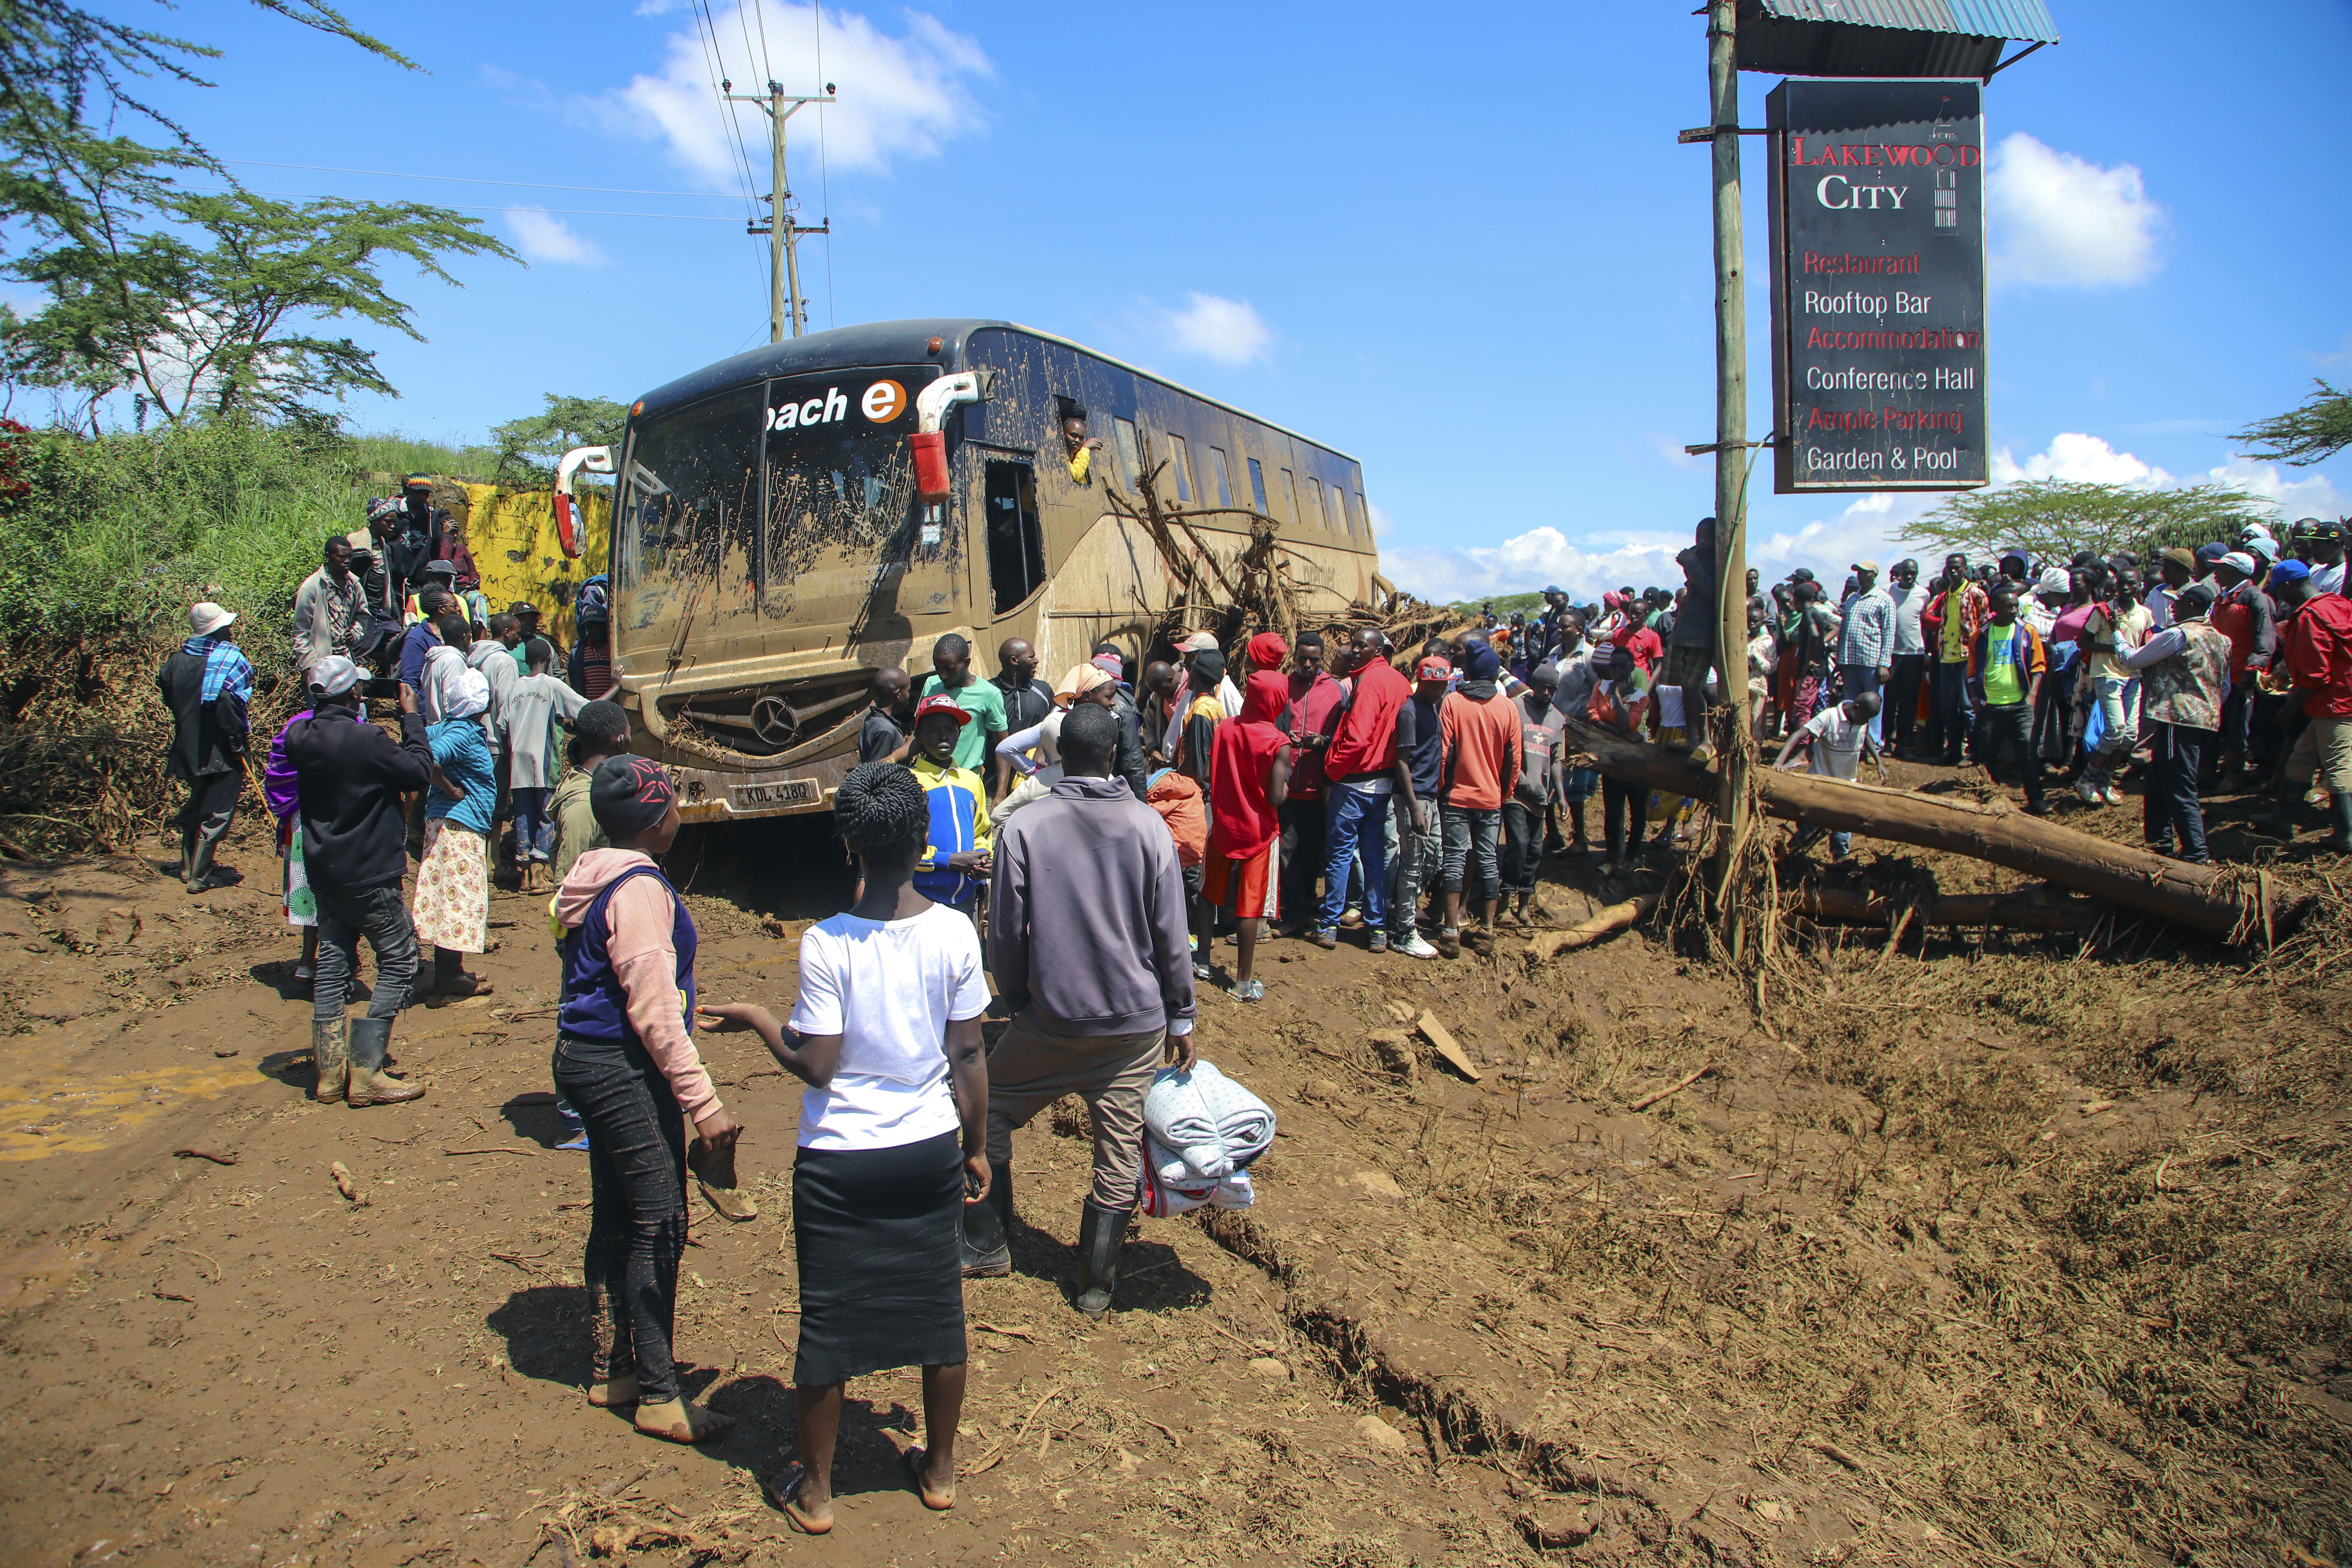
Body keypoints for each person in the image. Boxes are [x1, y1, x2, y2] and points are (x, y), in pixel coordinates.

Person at [693, 763, 985, 1530]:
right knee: (938, 1311)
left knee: (828, 1321)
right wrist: (976, 1143)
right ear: (924, 841)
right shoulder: (956, 930)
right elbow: (970, 1058)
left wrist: (761, 1018)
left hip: (838, 1158)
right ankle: (941, 1469)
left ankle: (818, 1493)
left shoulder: (827, 942)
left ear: (848, 844)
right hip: (927, 1148)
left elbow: (816, 1066)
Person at [980, 703, 1197, 1316]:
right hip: (1133, 1027)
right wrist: (1181, 1015)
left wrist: (1021, 999)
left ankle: (989, 1242)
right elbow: (1169, 933)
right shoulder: (1148, 826)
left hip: (1052, 1020)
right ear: (1111, 756)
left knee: (987, 1111)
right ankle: (1096, 1283)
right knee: (1119, 1148)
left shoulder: (1024, 827)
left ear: (1050, 757)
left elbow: (1004, 935)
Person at [551, 756, 739, 1444]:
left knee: (618, 1210)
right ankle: (661, 1395)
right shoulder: (638, 891)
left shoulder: (594, 871)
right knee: (661, 1221)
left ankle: (617, 1369)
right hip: (621, 1067)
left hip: (583, 1059)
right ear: (659, 819)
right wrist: (705, 1104)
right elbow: (655, 1009)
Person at [286, 657, 430, 1107]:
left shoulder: (299, 736)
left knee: (333, 961)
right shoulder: (366, 739)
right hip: (370, 869)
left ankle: (330, 1073)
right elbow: (418, 772)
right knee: (400, 958)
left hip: (325, 868)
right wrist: (411, 718)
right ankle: (366, 1069)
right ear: (355, 695)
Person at [1314, 631, 1413, 951]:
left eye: (1362, 646)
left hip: (1355, 783)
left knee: (1340, 855)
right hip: (1383, 784)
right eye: (1354, 645)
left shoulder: (1370, 682)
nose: (1355, 651)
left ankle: (1329, 923)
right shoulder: (1399, 681)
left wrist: (1332, 769)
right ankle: (1378, 929)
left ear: (1378, 650)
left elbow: (1356, 738)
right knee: (1374, 857)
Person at [2120, 579, 2229, 862]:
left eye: (2177, 602)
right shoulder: (2221, 639)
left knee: (2179, 784)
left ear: (2192, 606)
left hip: (2178, 717)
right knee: (2157, 779)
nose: (2172, 607)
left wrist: (2118, 640)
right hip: (2205, 718)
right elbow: (2224, 686)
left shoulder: (2178, 635)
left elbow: (2134, 661)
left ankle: (2197, 852)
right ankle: (2160, 843)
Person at [1202, 670, 1293, 1001]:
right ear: (1278, 701)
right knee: (1250, 907)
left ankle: (1201, 961)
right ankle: (1242, 983)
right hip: (1260, 832)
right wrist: (1286, 783)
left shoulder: (1226, 727)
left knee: (1209, 891)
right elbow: (1275, 797)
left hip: (1225, 824)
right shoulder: (1278, 742)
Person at [414, 669, 499, 998]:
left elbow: (419, 745)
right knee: (460, 898)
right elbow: (429, 759)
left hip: (443, 824)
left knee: (446, 895)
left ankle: (451, 970)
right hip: (458, 826)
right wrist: (449, 789)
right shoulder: (462, 734)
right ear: (484, 705)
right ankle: (450, 976)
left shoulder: (442, 727)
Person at [1435, 639, 1522, 958]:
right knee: (1488, 860)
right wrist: (1505, 792)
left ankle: (1449, 932)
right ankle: (1487, 931)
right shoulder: (1508, 707)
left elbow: (1444, 753)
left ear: (1469, 671)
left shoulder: (1453, 703)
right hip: (1491, 799)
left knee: (1455, 859)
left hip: (1457, 797)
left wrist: (1443, 787)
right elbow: (1514, 758)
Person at [159, 601, 252, 893]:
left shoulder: (175, 661)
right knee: (219, 812)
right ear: (219, 629)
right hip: (223, 750)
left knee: (196, 803)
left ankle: (187, 868)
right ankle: (200, 876)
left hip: (189, 747)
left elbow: (167, 692)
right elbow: (228, 704)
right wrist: (237, 743)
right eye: (227, 626)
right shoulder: (231, 660)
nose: (231, 630)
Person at [2268, 560, 2352, 848]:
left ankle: (2347, 834)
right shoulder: (2336, 603)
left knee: (2340, 766)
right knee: (2302, 757)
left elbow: (2317, 674)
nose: (2279, 597)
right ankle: (2282, 818)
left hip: (2335, 704)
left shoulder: (2309, 618)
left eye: (2278, 590)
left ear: (2289, 585)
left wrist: (2291, 706)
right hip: (2335, 700)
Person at [505, 638, 590, 890]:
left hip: (517, 761)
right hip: (542, 759)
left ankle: (523, 875)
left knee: (522, 814)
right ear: (549, 658)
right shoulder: (552, 684)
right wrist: (615, 687)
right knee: (545, 815)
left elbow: (502, 723)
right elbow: (585, 709)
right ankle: (539, 876)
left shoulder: (514, 687)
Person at [1274, 631, 1343, 928]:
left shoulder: (1337, 691)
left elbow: (1344, 736)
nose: (1307, 664)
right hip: (1287, 788)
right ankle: (1295, 913)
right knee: (1287, 854)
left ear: (1322, 660)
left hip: (1320, 789)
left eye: (1314, 660)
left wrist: (1323, 741)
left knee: (1313, 853)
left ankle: (1309, 907)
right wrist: (1283, 739)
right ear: (1294, 657)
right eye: (1302, 658)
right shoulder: (1282, 687)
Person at [1967, 583, 2051, 816]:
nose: (2014, 611)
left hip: (2020, 705)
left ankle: (2036, 799)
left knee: (2027, 752)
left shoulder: (2027, 632)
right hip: (1991, 706)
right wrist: (1975, 700)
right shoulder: (1981, 635)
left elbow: (2038, 667)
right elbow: (1972, 672)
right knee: (1987, 754)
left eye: (2016, 606)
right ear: (1996, 608)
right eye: (2008, 607)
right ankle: (1992, 797)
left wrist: (2032, 695)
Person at [1385, 654, 1449, 959]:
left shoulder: (1432, 708)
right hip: (1416, 798)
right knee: (1413, 863)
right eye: (1433, 685)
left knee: (1433, 859)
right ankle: (1403, 932)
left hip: (1430, 797)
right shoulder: (1410, 712)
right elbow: (1402, 761)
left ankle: (1400, 916)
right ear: (1421, 681)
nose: (1438, 691)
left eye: (1443, 686)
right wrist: (1414, 807)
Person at [909, 695, 993, 925]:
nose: (943, 736)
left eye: (950, 730)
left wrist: (982, 858)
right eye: (934, 730)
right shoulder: (910, 782)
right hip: (923, 900)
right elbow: (901, 849)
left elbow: (982, 831)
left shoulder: (972, 781)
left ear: (959, 733)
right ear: (918, 735)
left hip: (966, 901)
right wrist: (946, 861)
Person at [2075, 565, 2152, 805]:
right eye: (2123, 584)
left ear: (2140, 587)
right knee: (2115, 730)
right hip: (2107, 674)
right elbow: (2084, 641)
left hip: (2133, 677)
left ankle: (2104, 781)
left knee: (2130, 735)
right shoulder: (2104, 611)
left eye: (2132, 584)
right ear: (2116, 586)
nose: (2127, 589)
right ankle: (2086, 781)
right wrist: (2116, 649)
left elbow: (2147, 643)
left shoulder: (2145, 614)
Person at [1776, 692, 1883, 859]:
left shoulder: (1862, 720)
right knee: (1809, 826)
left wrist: (1879, 762)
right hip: (1820, 784)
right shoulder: (1830, 717)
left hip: (1847, 785)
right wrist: (1779, 762)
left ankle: (1840, 863)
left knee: (1843, 827)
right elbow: (1798, 735)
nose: (1867, 722)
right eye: (1866, 718)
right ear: (1856, 708)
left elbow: (1866, 734)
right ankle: (1789, 855)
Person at [2208, 551, 2278, 786]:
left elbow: (2265, 635)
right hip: (2221, 674)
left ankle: (2234, 776)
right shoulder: (2224, 598)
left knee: (2239, 726)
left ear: (2238, 571)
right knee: (2223, 724)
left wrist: (2254, 665)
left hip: (2241, 673)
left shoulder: (2254, 597)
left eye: (2222, 569)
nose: (2216, 574)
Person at [1504, 662, 1563, 927]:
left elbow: (1556, 760)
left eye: (1552, 689)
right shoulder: (1516, 708)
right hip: (1516, 792)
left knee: (1535, 851)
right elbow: (1506, 745)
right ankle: (1505, 903)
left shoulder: (1558, 719)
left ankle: (1525, 905)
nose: (1547, 693)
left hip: (1540, 795)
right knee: (1518, 843)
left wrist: (1560, 796)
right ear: (1534, 686)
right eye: (1542, 687)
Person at [1585, 642, 1652, 874]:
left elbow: (1630, 723)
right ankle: (1613, 857)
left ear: (1631, 668)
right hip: (1612, 757)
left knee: (1637, 811)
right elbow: (1593, 716)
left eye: (1622, 667)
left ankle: (1631, 857)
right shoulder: (1601, 687)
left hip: (1636, 761)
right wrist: (1621, 734)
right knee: (1613, 811)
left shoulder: (1639, 696)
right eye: (1613, 666)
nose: (1616, 671)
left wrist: (1617, 696)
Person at [552, 700, 633, 888]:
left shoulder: (603, 787)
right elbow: (567, 884)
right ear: (620, 740)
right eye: (630, 732)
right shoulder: (583, 805)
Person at [1921, 554, 1990, 765]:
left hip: (1967, 656)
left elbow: (1986, 625)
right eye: (1950, 568)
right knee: (1947, 706)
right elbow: (1928, 618)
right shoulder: (1945, 596)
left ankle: (1975, 751)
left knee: (1968, 706)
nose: (1953, 572)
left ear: (1965, 569)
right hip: (1946, 656)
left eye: (1957, 568)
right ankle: (1954, 749)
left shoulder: (1977, 594)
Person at [918, 633, 1008, 776]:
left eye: (950, 669)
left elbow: (1003, 747)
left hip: (966, 780)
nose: (943, 675)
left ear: (966, 663)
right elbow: (920, 735)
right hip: (930, 777)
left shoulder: (989, 694)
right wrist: (894, 758)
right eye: (938, 669)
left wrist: (1001, 794)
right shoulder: (931, 685)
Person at [1664, 517, 1718, 752]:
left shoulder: (1719, 558)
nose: (1702, 542)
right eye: (1699, 537)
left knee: (1694, 687)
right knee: (1684, 687)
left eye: (1707, 538)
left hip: (1702, 634)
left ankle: (1706, 740)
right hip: (1687, 630)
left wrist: (1691, 563)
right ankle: (1693, 739)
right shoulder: (1701, 556)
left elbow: (1711, 588)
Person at [291, 536, 371, 679]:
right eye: (342, 557)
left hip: (347, 660)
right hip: (321, 664)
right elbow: (301, 632)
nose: (347, 561)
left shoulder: (354, 585)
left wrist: (355, 632)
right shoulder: (312, 587)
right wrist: (308, 666)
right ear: (328, 556)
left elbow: (363, 615)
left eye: (350, 557)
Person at [1836, 559, 1896, 747]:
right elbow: (1844, 630)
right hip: (1850, 660)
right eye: (1859, 573)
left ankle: (1875, 745)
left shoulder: (1885, 600)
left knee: (1873, 704)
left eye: (1865, 573)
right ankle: (1852, 742)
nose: (1861, 576)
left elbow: (1889, 633)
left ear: (1875, 575)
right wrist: (1840, 660)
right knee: (1851, 703)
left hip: (1871, 662)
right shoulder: (1852, 599)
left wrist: (1884, 664)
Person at [989, 639, 1051, 801]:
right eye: (1031, 657)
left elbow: (1052, 730)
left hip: (1036, 785)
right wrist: (1000, 793)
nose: (1036, 661)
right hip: (993, 787)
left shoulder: (1043, 691)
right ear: (1014, 661)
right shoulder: (989, 693)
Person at [1882, 559, 1927, 755]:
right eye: (1906, 572)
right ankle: (1886, 742)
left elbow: (1924, 621)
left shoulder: (1924, 594)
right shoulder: (1887, 591)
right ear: (1899, 573)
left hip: (1914, 655)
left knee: (1909, 701)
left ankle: (1903, 743)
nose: (1910, 576)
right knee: (1889, 700)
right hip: (1891, 654)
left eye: (1914, 573)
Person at [858, 666, 916, 765]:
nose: (909, 696)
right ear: (898, 694)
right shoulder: (886, 731)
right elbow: (877, 771)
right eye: (908, 692)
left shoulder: (871, 720)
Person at [569, 591, 616, 700]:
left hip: (614, 709)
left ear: (606, 625)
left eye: (598, 625)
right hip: (589, 710)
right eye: (590, 626)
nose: (594, 630)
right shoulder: (578, 652)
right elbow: (575, 683)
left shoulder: (614, 650)